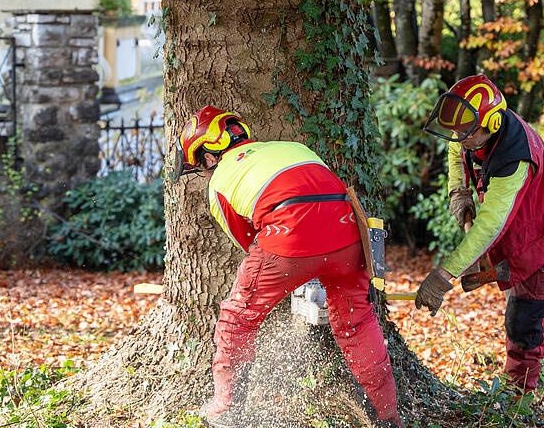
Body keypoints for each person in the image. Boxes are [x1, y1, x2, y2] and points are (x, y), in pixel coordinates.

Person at [171, 106, 401, 428]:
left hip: (286, 241)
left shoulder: (219, 182)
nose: (205, 174)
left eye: (200, 168)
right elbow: (322, 197)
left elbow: (249, 242)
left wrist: (295, 272)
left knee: (237, 317)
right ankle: (387, 415)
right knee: (358, 321)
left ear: (208, 157)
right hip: (349, 234)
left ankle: (226, 410)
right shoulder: (293, 148)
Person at [414, 75, 544, 407]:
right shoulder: (470, 130)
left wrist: (445, 274)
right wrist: (459, 192)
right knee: (537, 320)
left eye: (466, 134)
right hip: (520, 228)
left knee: (523, 323)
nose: (459, 139)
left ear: (490, 124)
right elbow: (455, 149)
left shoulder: (514, 157)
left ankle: (516, 405)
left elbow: (491, 223)